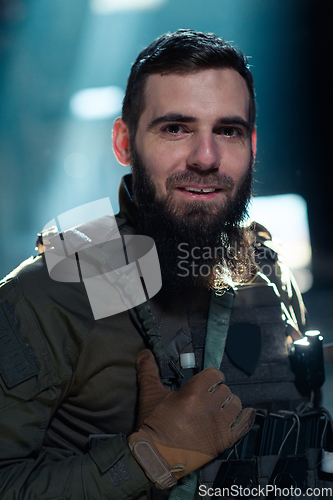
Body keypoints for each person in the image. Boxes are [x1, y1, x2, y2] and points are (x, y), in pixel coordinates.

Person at [0, 29, 329, 500]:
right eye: (175, 128)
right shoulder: (49, 295)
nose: (206, 158)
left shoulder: (265, 274)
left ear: (252, 145)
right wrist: (150, 456)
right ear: (123, 142)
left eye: (228, 131)